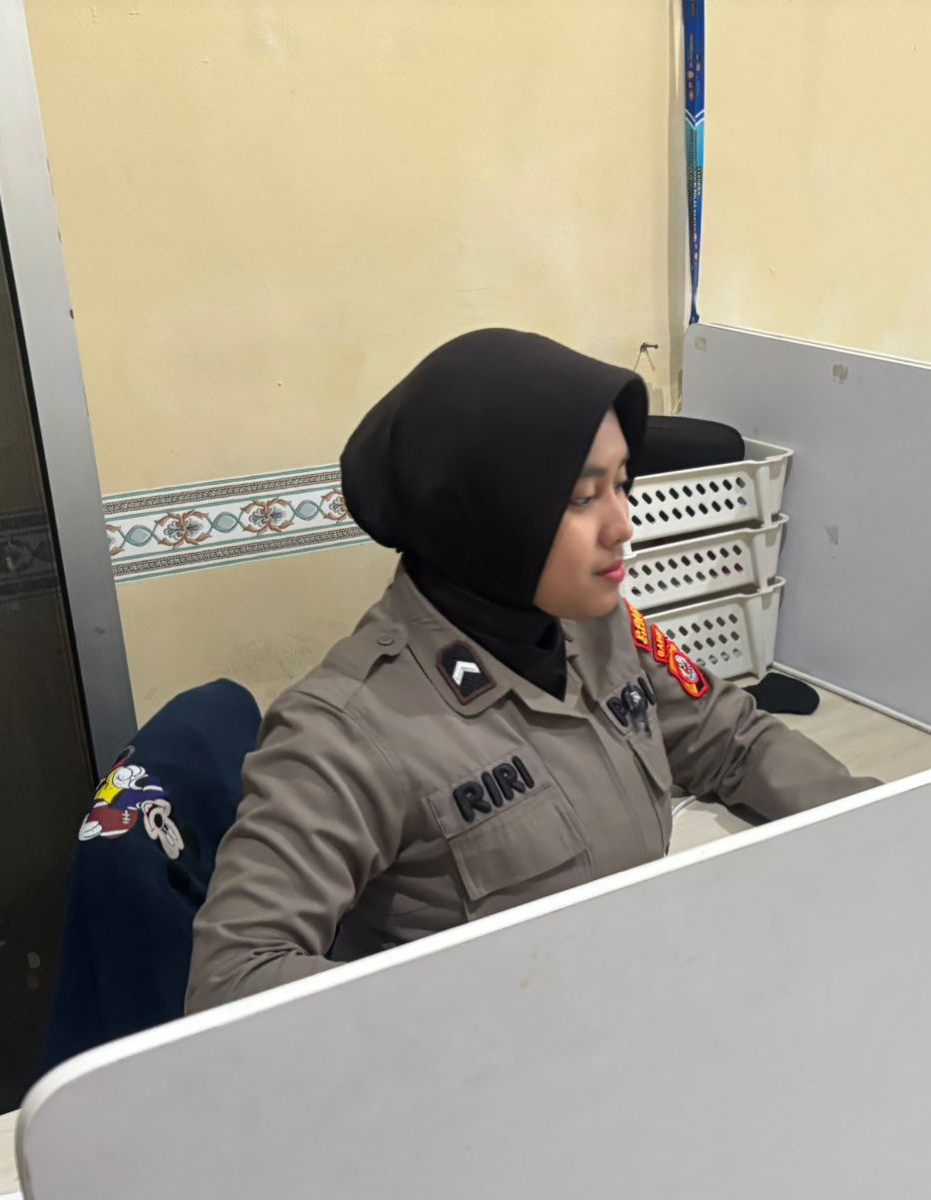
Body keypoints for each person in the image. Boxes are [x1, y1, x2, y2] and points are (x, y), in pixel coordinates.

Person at [185, 329, 879, 1012]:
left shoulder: (596, 624)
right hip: (508, 1059)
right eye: (582, 498)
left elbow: (731, 738)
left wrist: (886, 827)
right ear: (484, 512)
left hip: (641, 994)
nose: (623, 525)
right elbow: (232, 981)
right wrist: (484, 1014)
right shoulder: (347, 733)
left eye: (622, 485)